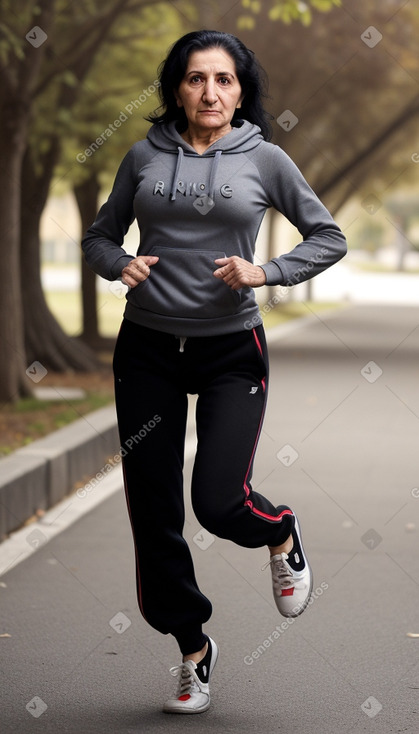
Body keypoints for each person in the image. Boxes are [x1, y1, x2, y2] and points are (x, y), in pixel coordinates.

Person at [82, 29, 347, 715]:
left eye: (223, 80)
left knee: (219, 501)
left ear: (239, 90)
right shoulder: (142, 156)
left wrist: (267, 271)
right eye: (196, 79)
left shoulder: (264, 159)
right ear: (176, 87)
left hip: (230, 349)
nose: (209, 92)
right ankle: (193, 651)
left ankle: (279, 533)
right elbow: (100, 236)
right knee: (154, 512)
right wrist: (119, 264)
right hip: (146, 349)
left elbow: (328, 236)